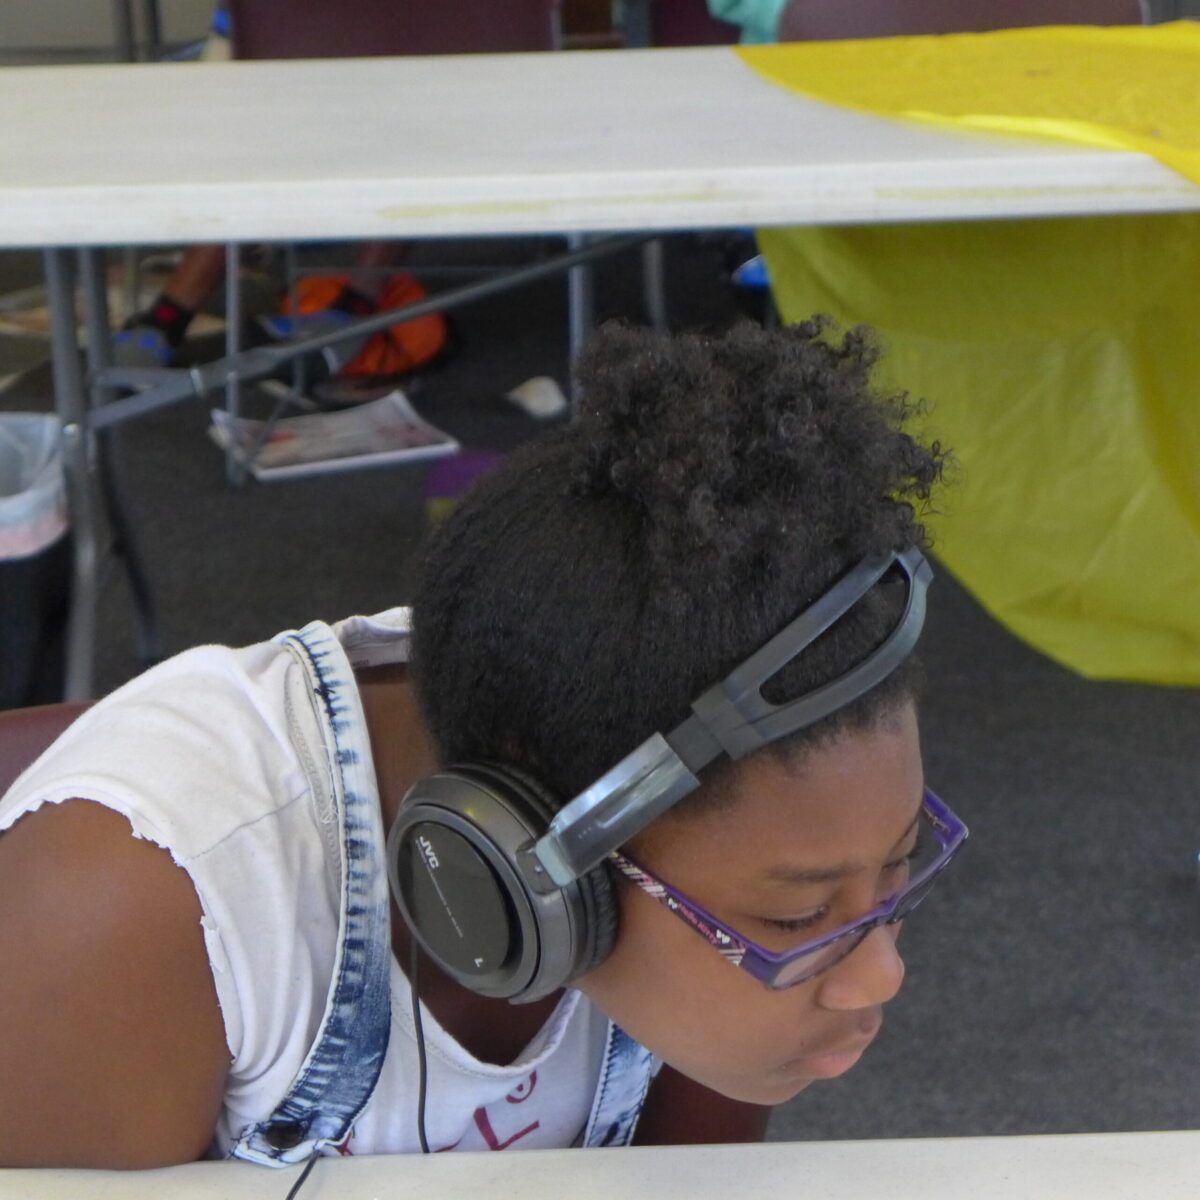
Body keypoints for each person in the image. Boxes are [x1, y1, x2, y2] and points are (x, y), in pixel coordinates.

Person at [0, 320, 961, 1171]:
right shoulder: (148, 897)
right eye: (798, 919)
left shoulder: (711, 860)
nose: (883, 976)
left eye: (898, 871)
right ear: (528, 851)